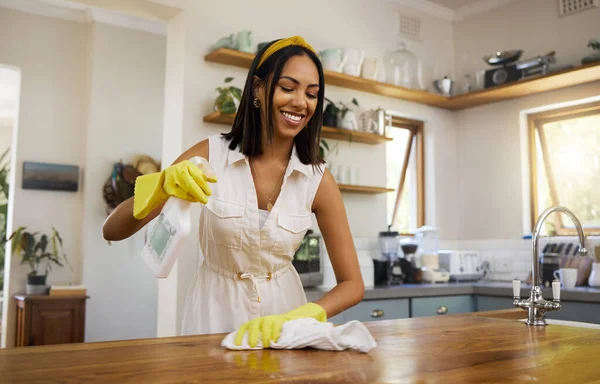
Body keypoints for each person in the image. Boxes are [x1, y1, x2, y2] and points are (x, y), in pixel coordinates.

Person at [102, 36, 364, 348]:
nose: (300, 102)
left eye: (311, 94)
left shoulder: (317, 179)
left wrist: (303, 315)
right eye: (287, 87)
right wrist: (161, 186)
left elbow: (353, 284)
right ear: (258, 89)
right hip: (213, 315)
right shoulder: (210, 155)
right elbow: (112, 230)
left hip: (284, 322)